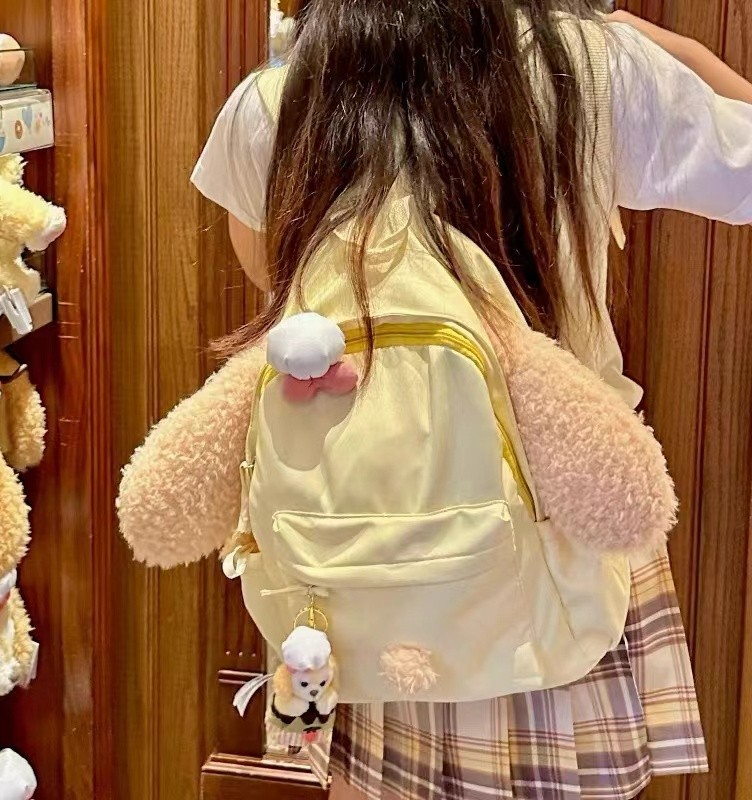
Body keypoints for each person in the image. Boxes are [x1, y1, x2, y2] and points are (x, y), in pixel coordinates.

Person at [191, 3, 752, 798]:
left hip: (363, 531)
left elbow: (276, 281)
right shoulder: (588, 66)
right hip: (556, 536)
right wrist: (686, 53)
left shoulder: (277, 97)